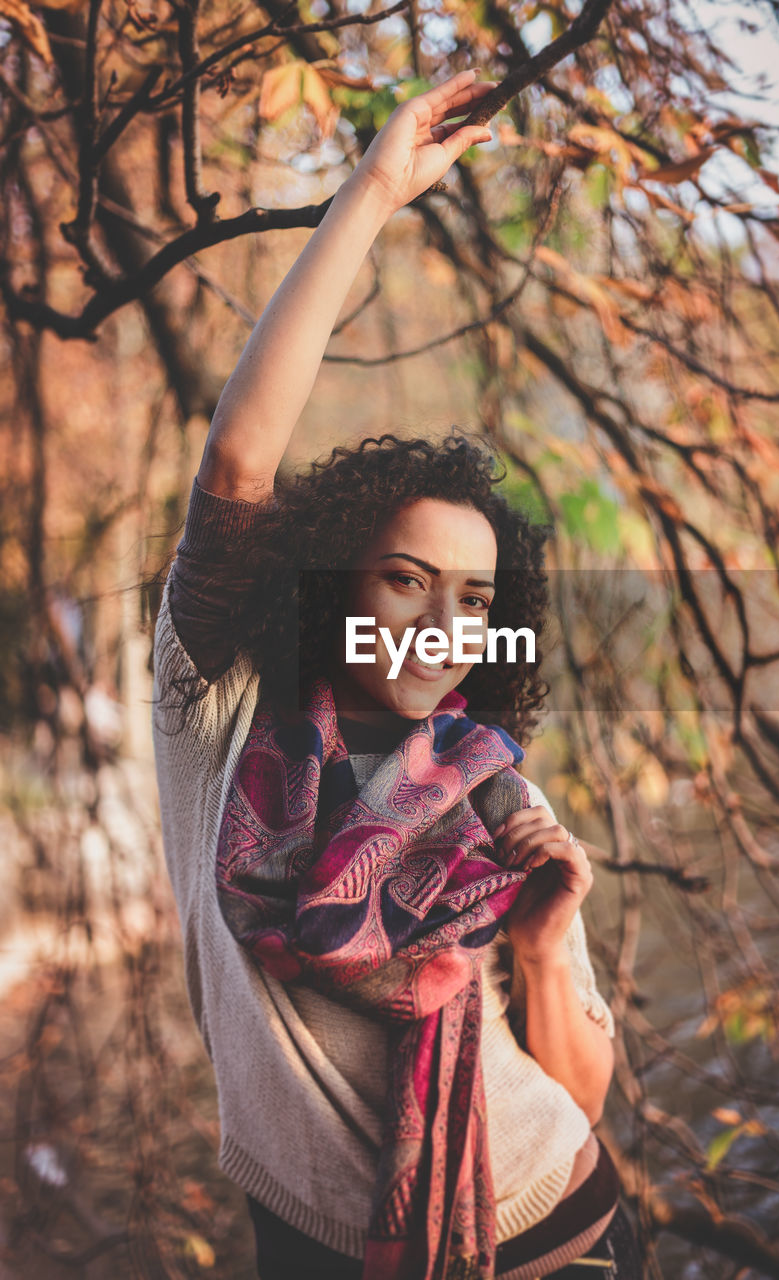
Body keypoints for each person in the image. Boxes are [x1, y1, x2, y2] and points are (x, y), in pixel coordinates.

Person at [151, 71, 641, 1279]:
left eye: (474, 599)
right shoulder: (214, 715)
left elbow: (578, 1091)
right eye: (406, 578)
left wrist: (543, 940)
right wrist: (372, 191)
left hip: (566, 1232)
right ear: (331, 580)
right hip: (319, 1248)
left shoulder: (493, 792)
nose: (441, 623)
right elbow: (238, 458)